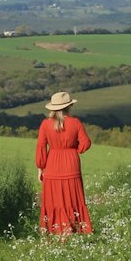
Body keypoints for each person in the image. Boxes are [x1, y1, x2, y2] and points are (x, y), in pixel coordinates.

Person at [35, 90, 93, 234]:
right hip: (71, 163)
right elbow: (86, 143)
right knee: (73, 197)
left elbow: (41, 146)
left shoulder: (45, 124)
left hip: (52, 164)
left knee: (53, 199)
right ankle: (75, 229)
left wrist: (40, 167)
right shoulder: (75, 123)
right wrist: (75, 150)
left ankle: (55, 230)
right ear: (68, 107)